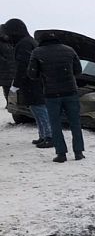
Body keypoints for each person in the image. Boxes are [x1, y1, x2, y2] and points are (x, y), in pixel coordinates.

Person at [27, 30, 85, 163]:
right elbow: (78, 71)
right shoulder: (69, 50)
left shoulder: (37, 52)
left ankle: (61, 154)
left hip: (51, 94)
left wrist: (43, 73)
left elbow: (32, 74)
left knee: (55, 124)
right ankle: (78, 152)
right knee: (75, 122)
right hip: (70, 92)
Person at [3, 18, 51, 147]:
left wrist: (16, 84)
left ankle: (49, 136)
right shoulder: (29, 42)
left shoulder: (24, 44)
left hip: (32, 83)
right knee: (37, 109)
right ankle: (43, 135)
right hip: (35, 81)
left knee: (40, 110)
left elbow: (23, 66)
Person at [0, 26, 14, 104]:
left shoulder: (13, 42)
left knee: (13, 86)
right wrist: (6, 61)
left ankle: (12, 102)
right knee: (7, 86)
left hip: (13, 67)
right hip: (4, 69)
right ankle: (9, 102)